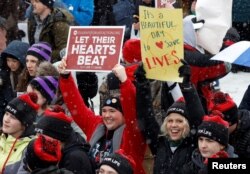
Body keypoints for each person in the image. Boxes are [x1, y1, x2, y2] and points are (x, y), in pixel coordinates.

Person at [58, 60, 146, 174]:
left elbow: (132, 110)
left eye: (112, 111)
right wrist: (65, 77)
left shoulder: (133, 133)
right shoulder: (97, 125)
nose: (107, 115)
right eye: (104, 111)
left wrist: (125, 81)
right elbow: (76, 107)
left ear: (125, 114)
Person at [134, 61, 205, 173]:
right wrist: (142, 84)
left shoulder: (195, 145)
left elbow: (199, 120)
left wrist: (186, 86)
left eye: (179, 121)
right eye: (170, 121)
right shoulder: (159, 143)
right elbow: (145, 118)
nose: (173, 125)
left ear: (187, 124)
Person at [0, 92, 39, 173]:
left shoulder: (31, 149)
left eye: (13, 117)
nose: (6, 120)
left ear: (24, 124)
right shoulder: (2, 137)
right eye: (6, 114)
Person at [0, 40, 30, 124]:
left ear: (22, 61)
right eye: (8, 60)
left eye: (14, 61)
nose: (10, 64)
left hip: (24, 119)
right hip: (7, 118)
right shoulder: (4, 75)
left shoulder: (29, 76)